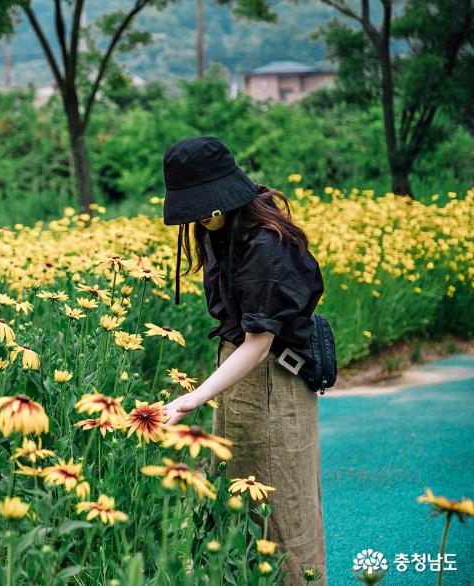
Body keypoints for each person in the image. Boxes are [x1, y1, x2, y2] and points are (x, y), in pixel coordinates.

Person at [159, 136, 327, 585]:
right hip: (237, 379)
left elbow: (258, 343)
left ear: (218, 202)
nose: (191, 217)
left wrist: (194, 397)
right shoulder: (220, 231)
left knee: (281, 517)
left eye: (196, 207)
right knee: (234, 509)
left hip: (273, 381)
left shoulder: (266, 245)